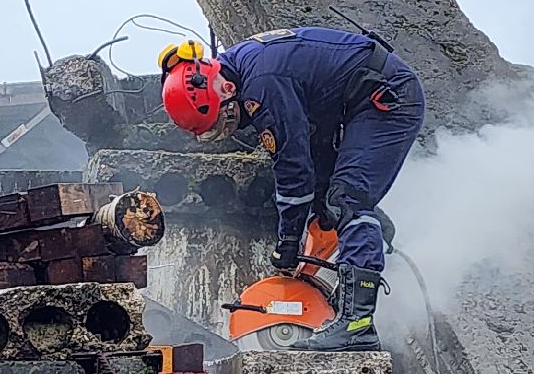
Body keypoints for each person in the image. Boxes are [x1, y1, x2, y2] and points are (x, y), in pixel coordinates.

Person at [158, 27, 425, 351]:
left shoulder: (262, 84)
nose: (227, 127)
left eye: (223, 119)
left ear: (225, 89)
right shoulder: (243, 68)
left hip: (386, 100)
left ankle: (357, 324)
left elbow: (293, 170)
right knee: (331, 202)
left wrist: (287, 242)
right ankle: (359, 263)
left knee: (348, 201)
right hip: (349, 103)